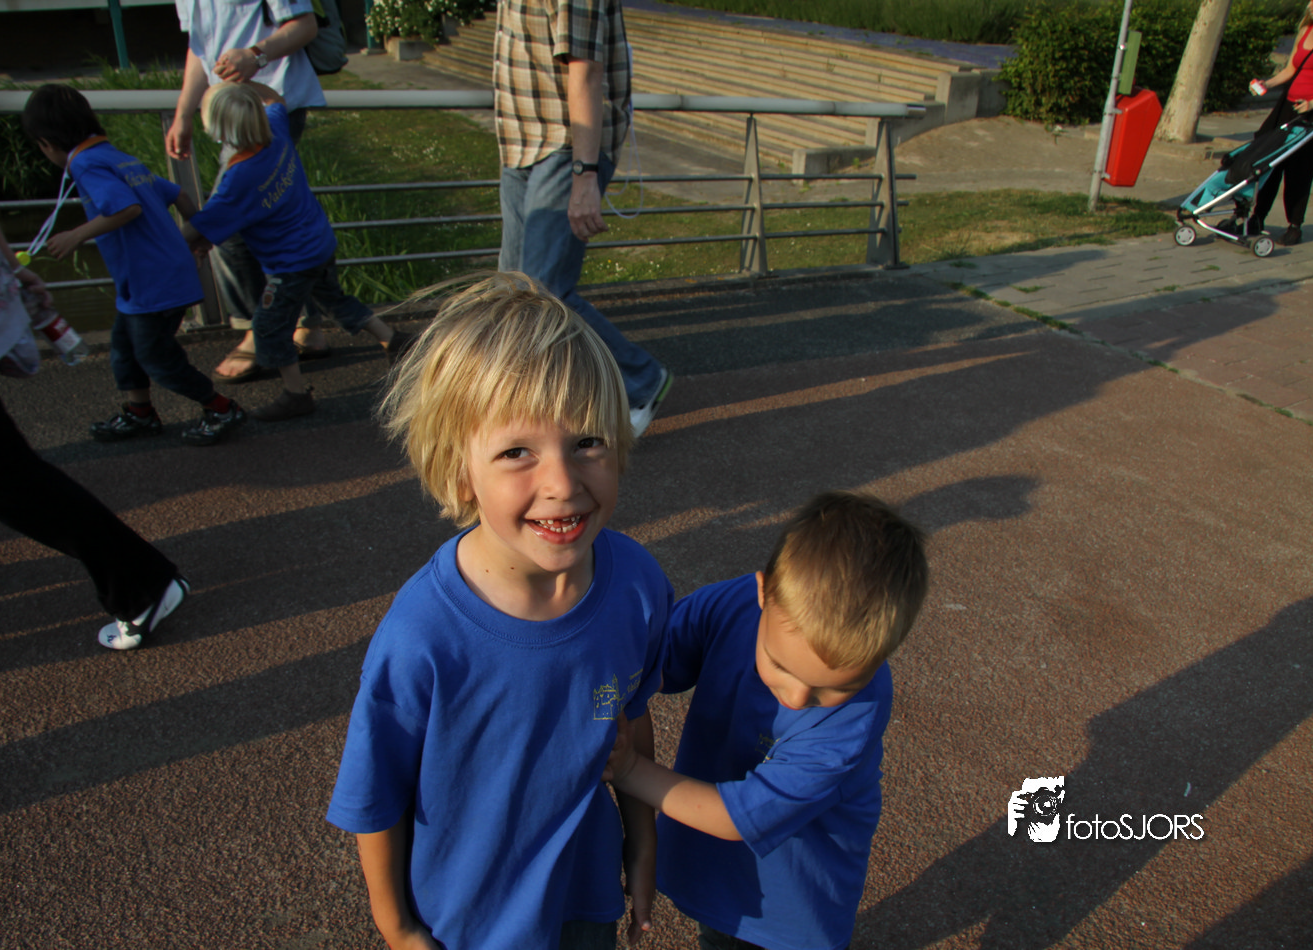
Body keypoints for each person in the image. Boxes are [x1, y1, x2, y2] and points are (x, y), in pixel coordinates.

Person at [326, 272, 669, 950]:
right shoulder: (423, 635)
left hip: (587, 896)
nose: (562, 483)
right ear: (460, 471)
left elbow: (630, 721)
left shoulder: (636, 584)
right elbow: (374, 795)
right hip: (468, 925)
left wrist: (642, 842)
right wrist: (397, 928)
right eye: (517, 452)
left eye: (588, 442)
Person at [0, 36, 187, 651]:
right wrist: (5, 265)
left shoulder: (91, 167)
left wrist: (72, 236)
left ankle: (139, 580)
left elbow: (127, 207)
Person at [605, 491, 929, 950]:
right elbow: (653, 660)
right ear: (763, 593)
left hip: (787, 916)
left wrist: (630, 769)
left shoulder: (855, 718)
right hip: (717, 875)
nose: (796, 699)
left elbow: (738, 816)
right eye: (780, 666)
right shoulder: (734, 605)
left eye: (833, 689)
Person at [22, 83, 247, 447]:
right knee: (125, 348)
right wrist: (200, 235)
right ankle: (140, 412)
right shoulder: (117, 156)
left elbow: (127, 208)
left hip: (153, 280)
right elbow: (179, 194)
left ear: (46, 143)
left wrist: (76, 235)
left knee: (156, 357)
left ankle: (221, 407)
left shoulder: (84, 163)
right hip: (150, 278)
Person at [493, 0, 673, 438]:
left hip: (565, 144)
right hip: (522, 141)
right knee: (511, 293)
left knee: (543, 293)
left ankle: (639, 381)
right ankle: (529, 405)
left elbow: (586, 69)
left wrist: (584, 173)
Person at [182, 82, 402, 421]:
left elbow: (200, 227)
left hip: (290, 264)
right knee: (334, 300)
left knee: (269, 327)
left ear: (220, 129)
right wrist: (245, 81)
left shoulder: (237, 179)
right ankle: (394, 341)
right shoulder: (275, 130)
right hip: (319, 242)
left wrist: (170, 243)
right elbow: (276, 99)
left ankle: (296, 395)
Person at [169, 0, 336, 381]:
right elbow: (199, 46)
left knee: (231, 231)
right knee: (280, 217)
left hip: (260, 107)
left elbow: (305, 24)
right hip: (235, 107)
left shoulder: (268, 120)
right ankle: (306, 326)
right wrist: (183, 113)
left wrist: (256, 56)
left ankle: (256, 329)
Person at [1248, 0, 1313, 246]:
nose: (1309, 4)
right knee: (1270, 161)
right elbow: (1290, 69)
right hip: (1287, 107)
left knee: (1299, 169)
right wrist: (1267, 83)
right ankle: (1258, 216)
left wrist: (1312, 103)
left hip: (1310, 113)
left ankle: (1294, 226)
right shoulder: (1306, 30)